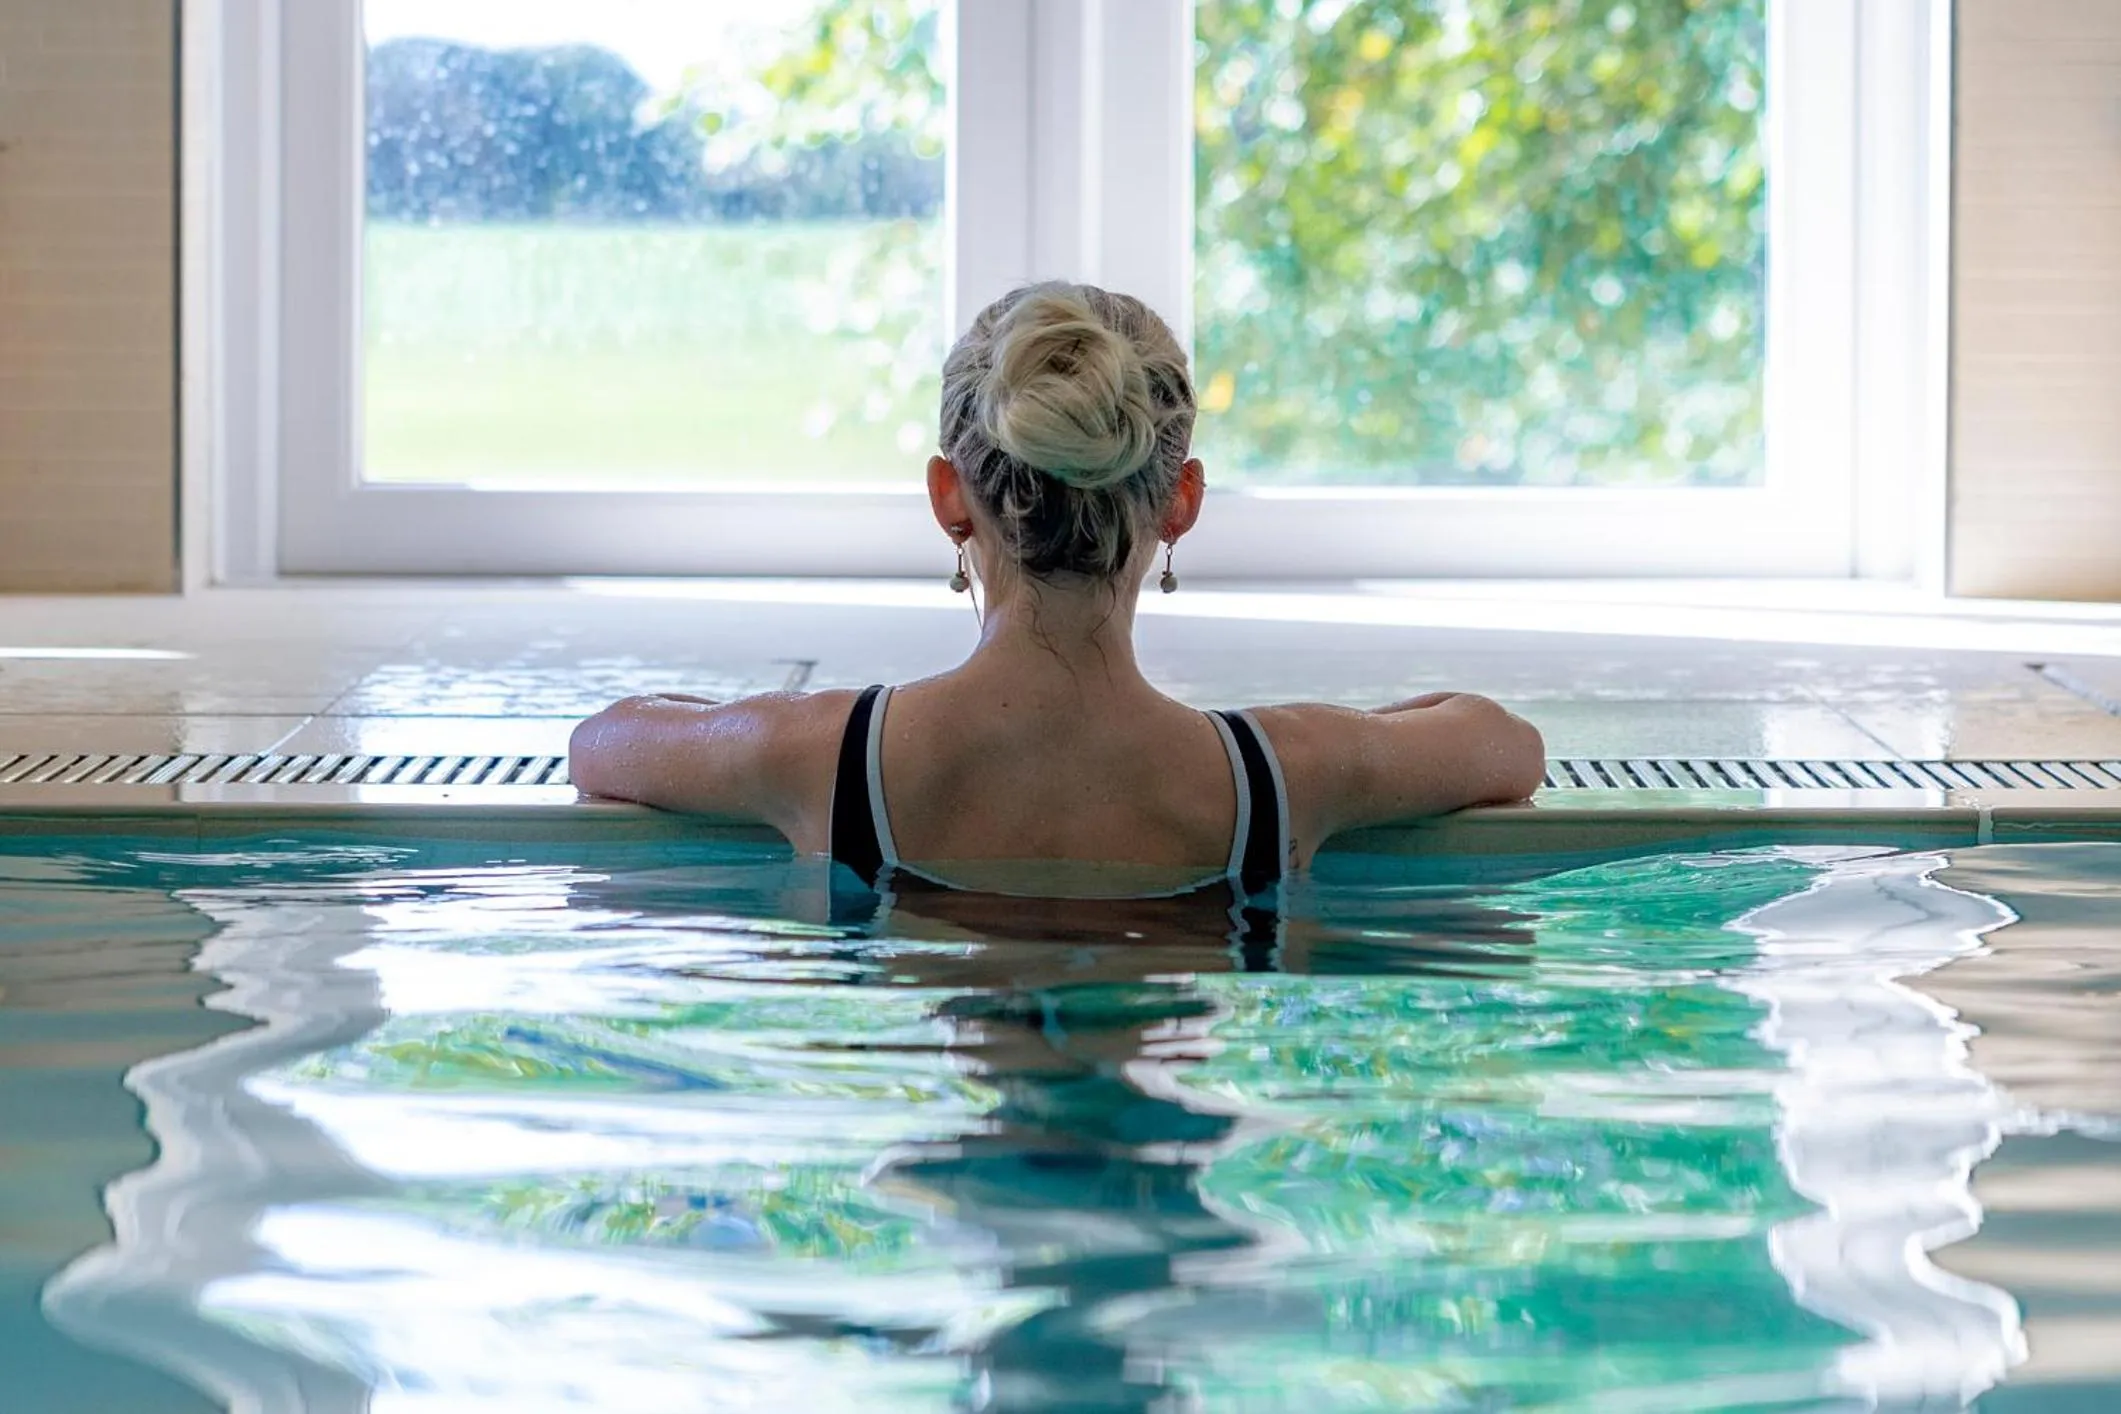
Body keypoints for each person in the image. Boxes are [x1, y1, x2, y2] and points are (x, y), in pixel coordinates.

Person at [570, 282, 1545, 906]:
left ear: (951, 499)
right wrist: (1358, 732)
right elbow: (1504, 742)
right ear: (1181, 504)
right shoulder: (1284, 771)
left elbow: (603, 742)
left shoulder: (820, 754)